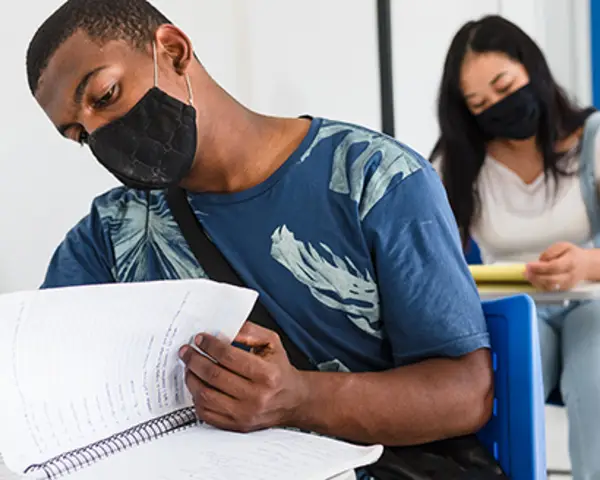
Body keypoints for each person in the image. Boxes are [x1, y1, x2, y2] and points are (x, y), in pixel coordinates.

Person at [27, 1, 493, 477]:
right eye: (80, 134)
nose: (101, 134)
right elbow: (38, 384)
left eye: (105, 95)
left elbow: (465, 394)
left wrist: (299, 398)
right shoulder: (110, 233)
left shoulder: (374, 181)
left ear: (173, 50)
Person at [431, 15, 600, 480]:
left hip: (592, 297)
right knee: (507, 388)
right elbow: (430, 257)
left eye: (504, 86)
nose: (498, 108)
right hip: (514, 305)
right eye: (480, 103)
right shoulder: (458, 162)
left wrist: (585, 263)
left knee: (595, 378)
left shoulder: (594, 140)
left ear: (532, 68)